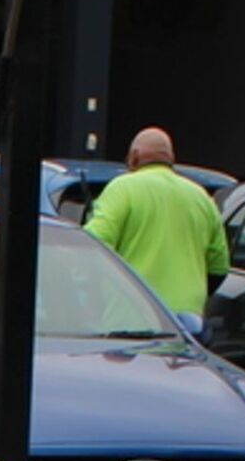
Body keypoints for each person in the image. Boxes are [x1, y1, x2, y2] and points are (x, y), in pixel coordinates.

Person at [82, 127, 229, 319]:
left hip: (132, 319)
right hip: (187, 323)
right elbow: (219, 268)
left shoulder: (122, 188)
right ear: (171, 158)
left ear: (134, 157)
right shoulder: (201, 197)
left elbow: (93, 245)